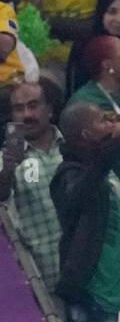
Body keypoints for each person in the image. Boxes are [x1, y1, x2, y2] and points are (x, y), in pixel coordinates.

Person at [49, 98, 120, 322]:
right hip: (94, 295)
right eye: (102, 119)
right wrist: (111, 149)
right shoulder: (67, 175)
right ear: (87, 134)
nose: (110, 122)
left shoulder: (102, 167)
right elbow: (77, 196)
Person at [68, 34, 120, 287]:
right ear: (107, 65)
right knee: (113, 279)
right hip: (104, 207)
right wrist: (119, 131)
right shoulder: (86, 102)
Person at [0, 78, 63, 295]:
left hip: (88, 273)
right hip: (40, 281)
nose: (27, 115)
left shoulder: (74, 145)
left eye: (34, 106)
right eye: (19, 109)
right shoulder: (5, 161)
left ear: (50, 110)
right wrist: (8, 168)